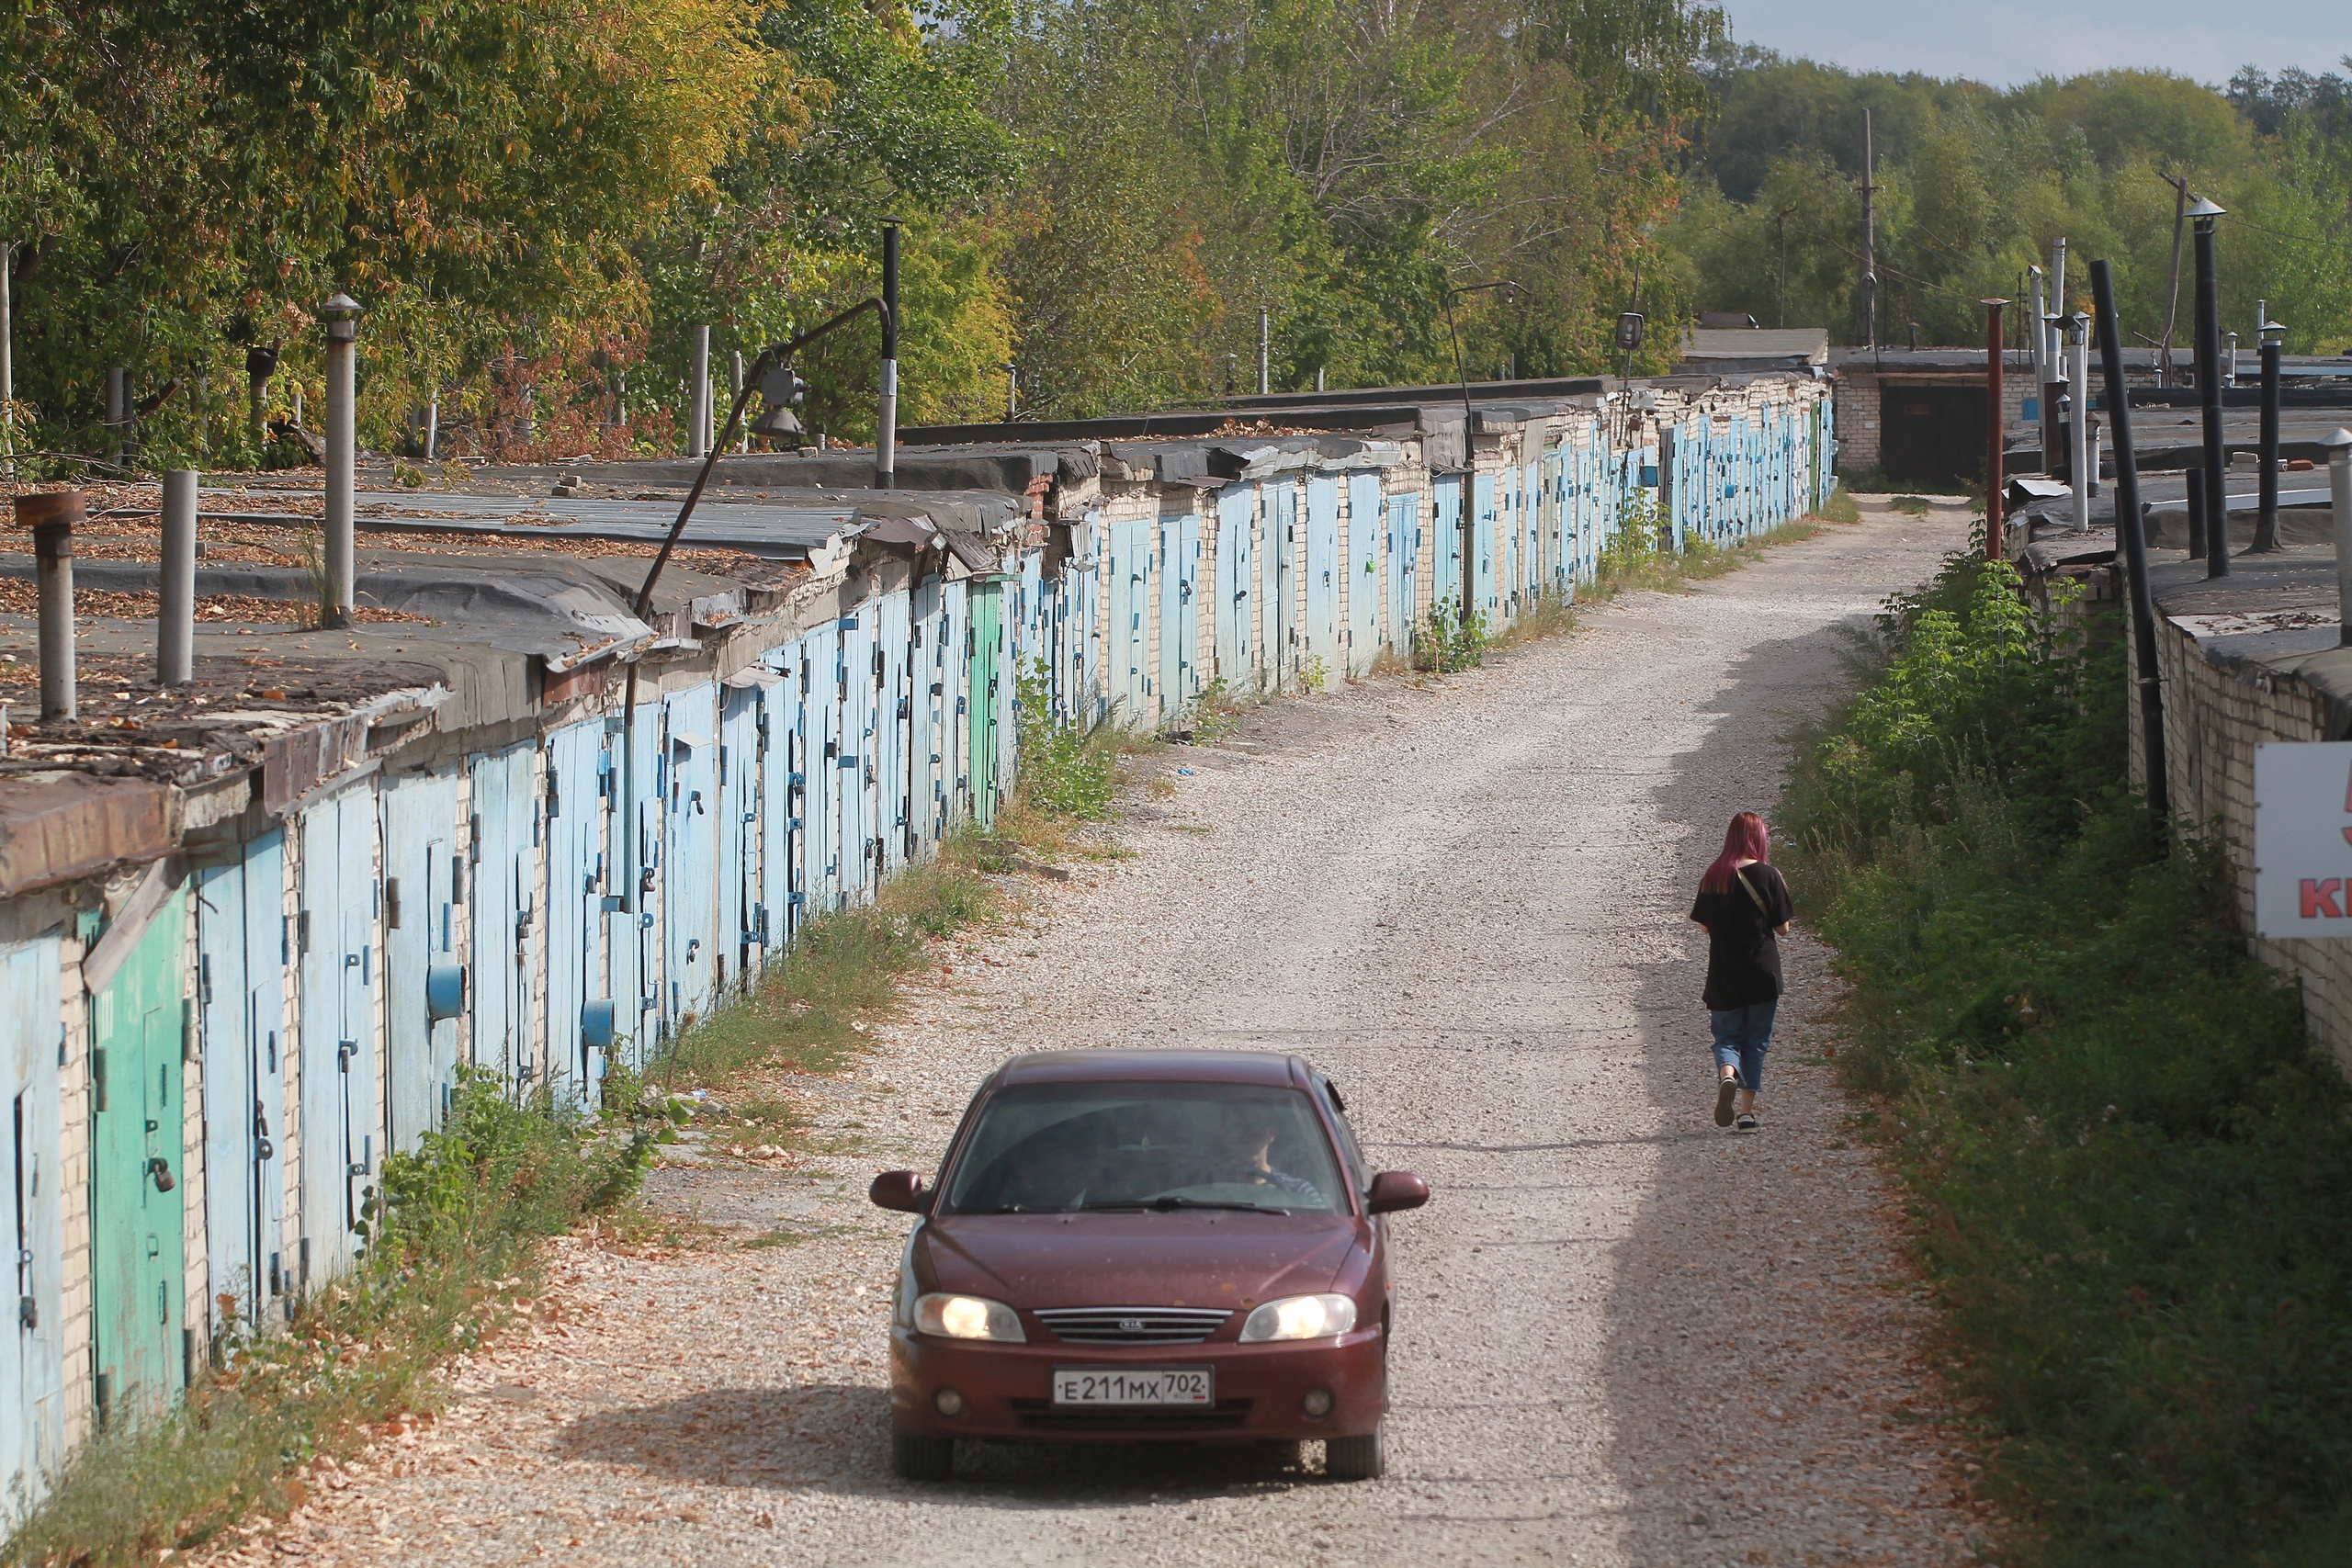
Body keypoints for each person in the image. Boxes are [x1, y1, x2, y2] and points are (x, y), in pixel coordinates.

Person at [1688, 811, 1793, 1133]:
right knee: (1757, 1041)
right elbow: (1784, 929)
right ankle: (1746, 1114)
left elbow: (1705, 926)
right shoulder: (1769, 875)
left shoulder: (1714, 875)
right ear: (1759, 839)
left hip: (1724, 974)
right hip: (1762, 972)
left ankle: (1728, 1074)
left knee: (1726, 1037)